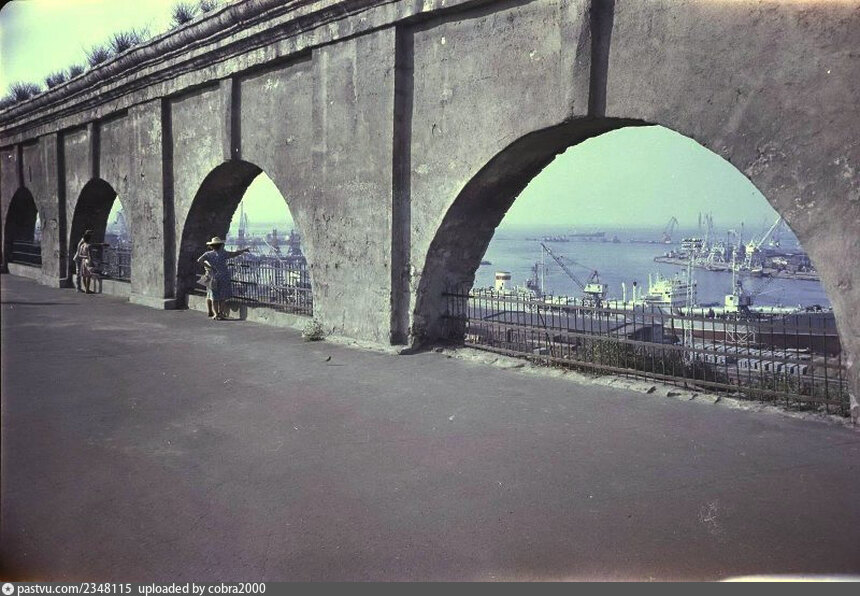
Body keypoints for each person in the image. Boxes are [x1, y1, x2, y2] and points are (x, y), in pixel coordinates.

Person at [197, 236, 250, 320]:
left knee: (214, 297)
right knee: (223, 297)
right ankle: (221, 313)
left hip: (213, 277)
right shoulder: (223, 253)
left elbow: (199, 260)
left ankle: (216, 314)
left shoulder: (208, 254)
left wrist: (209, 267)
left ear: (212, 246)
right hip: (224, 276)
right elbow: (234, 254)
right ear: (221, 245)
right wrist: (243, 251)